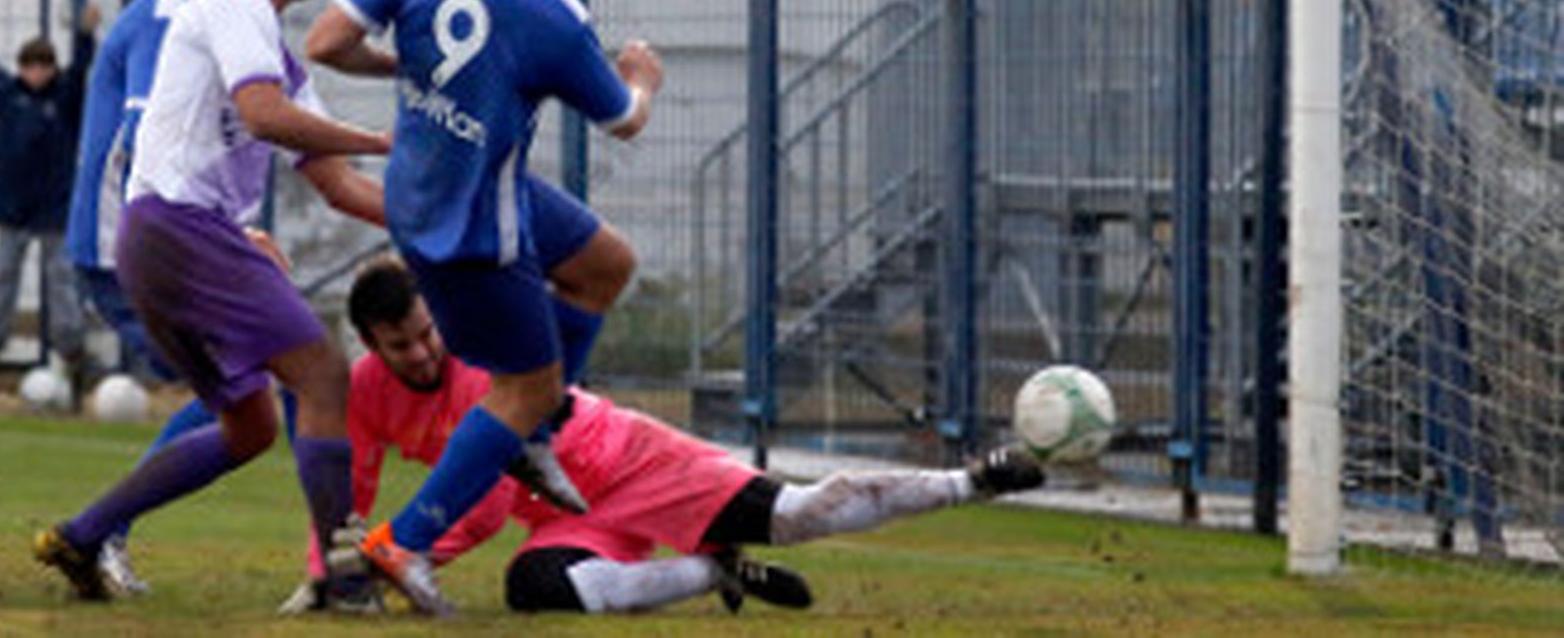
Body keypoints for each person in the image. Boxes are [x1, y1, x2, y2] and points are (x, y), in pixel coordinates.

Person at [303, 0, 663, 614]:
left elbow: (325, 43)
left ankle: (534, 434)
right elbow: (625, 122)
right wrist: (642, 77)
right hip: (475, 223)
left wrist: (406, 67)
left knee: (605, 263)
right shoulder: (552, 12)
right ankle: (408, 540)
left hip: (429, 190)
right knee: (520, 386)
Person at [281, 256, 1046, 616]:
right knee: (536, 591)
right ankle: (713, 574)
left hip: (631, 458)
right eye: (399, 344)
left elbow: (477, 499)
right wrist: (332, 572)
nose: (419, 352)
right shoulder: (364, 394)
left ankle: (972, 478)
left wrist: (409, 556)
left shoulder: (480, 356)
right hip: (562, 513)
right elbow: (348, 489)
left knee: (800, 516)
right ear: (370, 345)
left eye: (423, 334)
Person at [33, 0, 391, 608]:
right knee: (323, 375)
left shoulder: (276, 52)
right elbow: (262, 117)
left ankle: (84, 532)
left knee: (250, 425)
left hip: (164, 237)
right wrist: (383, 138)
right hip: (178, 227)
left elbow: (340, 186)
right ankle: (344, 578)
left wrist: (443, 218)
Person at [66, 0, 233, 382]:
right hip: (119, 238)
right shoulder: (168, 15)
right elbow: (148, 132)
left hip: (149, 236)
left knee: (228, 381)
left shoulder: (211, 13)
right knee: (228, 376)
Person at [0, 1, 100, 377]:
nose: (36, 73)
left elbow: (81, 69)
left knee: (61, 284)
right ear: (21, 67)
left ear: (52, 67)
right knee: (3, 280)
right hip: (12, 209)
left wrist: (85, 34)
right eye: (29, 65)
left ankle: (73, 353)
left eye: (43, 65)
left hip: (54, 211)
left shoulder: (65, 98)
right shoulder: (7, 94)